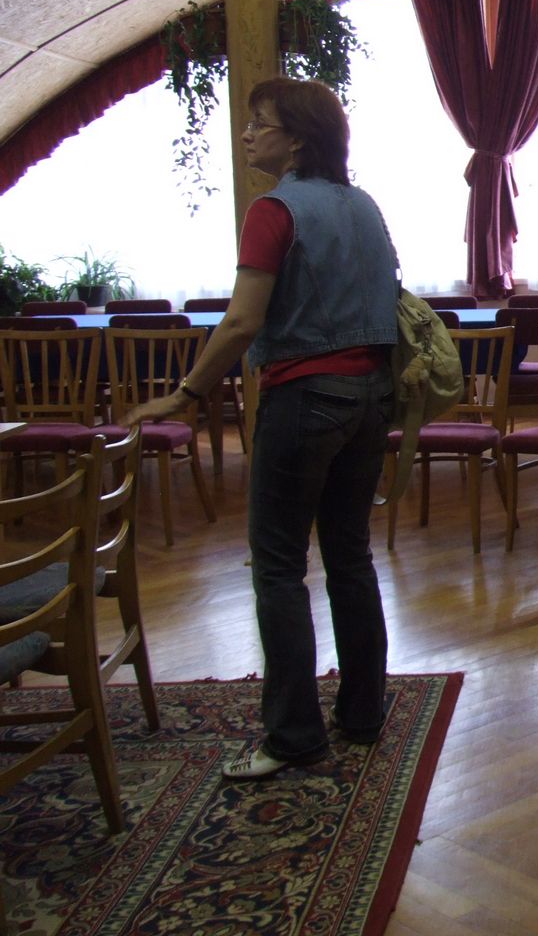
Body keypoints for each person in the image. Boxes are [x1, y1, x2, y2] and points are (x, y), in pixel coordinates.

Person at [124, 77, 398, 779]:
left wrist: (184, 394)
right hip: (372, 397)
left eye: (259, 123)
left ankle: (293, 737)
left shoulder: (274, 209)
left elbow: (243, 321)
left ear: (296, 140)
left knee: (278, 566)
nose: (247, 134)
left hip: (304, 397)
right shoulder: (365, 206)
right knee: (350, 556)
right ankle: (363, 714)